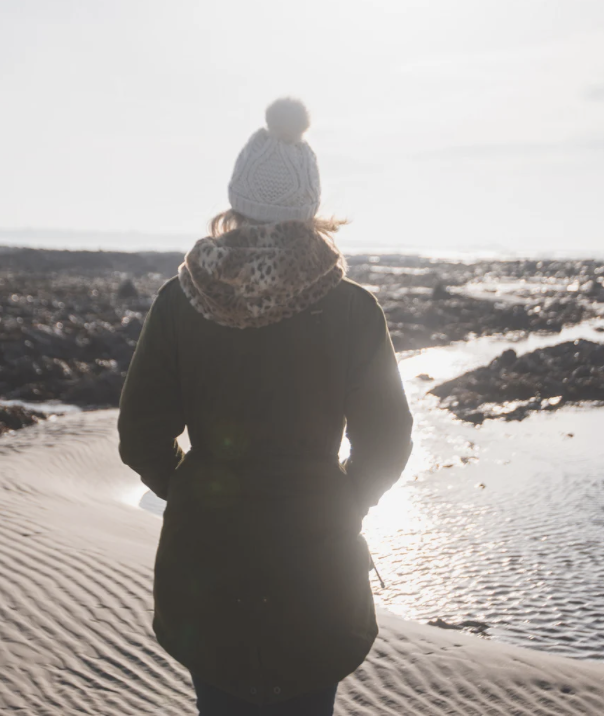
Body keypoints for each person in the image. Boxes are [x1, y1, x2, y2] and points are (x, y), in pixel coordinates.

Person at [117, 98, 414, 715]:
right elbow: (388, 440)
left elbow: (140, 431)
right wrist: (345, 498)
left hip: (207, 563)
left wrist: (190, 489)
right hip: (318, 561)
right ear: (310, 209)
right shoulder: (353, 308)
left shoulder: (181, 299)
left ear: (237, 202)